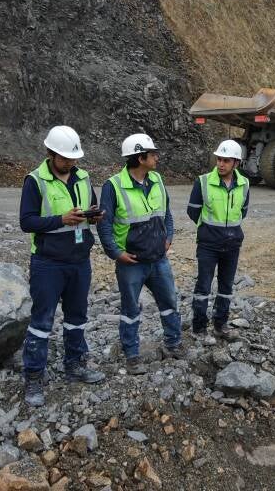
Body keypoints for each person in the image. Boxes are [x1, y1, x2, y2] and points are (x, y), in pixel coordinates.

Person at [19, 125, 106, 407]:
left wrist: (94, 217)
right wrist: (61, 219)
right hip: (48, 263)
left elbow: (91, 206)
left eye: (74, 158)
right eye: (66, 158)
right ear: (51, 153)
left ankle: (75, 365)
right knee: (42, 320)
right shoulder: (36, 181)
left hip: (79, 260)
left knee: (77, 316)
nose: (71, 162)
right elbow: (27, 221)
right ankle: (33, 376)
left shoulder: (83, 177)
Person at [97, 133, 183, 374]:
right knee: (130, 309)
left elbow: (166, 213)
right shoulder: (113, 186)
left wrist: (168, 237)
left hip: (158, 259)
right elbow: (104, 224)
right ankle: (132, 356)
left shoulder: (157, 179)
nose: (157, 157)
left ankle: (174, 343)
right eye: (152, 154)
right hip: (131, 262)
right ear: (140, 157)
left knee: (169, 302)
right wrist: (115, 253)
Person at [187, 140, 249, 342]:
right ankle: (198, 328)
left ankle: (220, 325)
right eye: (219, 159)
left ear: (236, 163)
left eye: (226, 160)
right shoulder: (203, 182)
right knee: (203, 286)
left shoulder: (244, 184)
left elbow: (243, 211)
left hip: (232, 244)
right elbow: (193, 211)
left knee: (226, 287)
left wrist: (229, 231)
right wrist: (210, 231)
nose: (221, 164)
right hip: (208, 244)